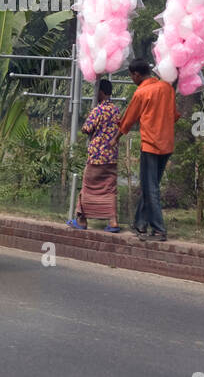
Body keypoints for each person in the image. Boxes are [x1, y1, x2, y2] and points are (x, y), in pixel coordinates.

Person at [114, 58, 177, 242]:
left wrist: (115, 139)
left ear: (137, 74)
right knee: (151, 186)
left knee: (150, 189)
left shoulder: (142, 92)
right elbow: (174, 115)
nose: (132, 79)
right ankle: (140, 224)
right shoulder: (167, 88)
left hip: (150, 145)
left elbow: (128, 119)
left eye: (132, 76)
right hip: (167, 144)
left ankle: (158, 230)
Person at [69, 78, 122, 232]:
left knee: (88, 187)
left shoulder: (98, 110)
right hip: (111, 156)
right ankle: (113, 221)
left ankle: (82, 219)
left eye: (97, 91)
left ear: (102, 92)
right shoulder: (116, 110)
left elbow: (86, 128)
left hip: (96, 156)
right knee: (109, 189)